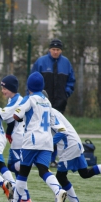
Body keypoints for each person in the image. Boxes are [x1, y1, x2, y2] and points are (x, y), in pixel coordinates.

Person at [5, 71, 67, 202]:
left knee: (23, 172)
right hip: (46, 141)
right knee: (43, 170)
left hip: (31, 140)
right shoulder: (47, 101)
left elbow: (16, 115)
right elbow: (57, 125)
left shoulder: (29, 99)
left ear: (29, 86)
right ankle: (58, 191)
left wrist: (20, 117)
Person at [43, 90, 101, 202]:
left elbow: (62, 132)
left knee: (60, 176)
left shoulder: (49, 114)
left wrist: (49, 144)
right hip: (76, 143)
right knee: (84, 173)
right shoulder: (52, 111)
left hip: (69, 147)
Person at [31, 38, 76, 167]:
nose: (55, 52)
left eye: (58, 50)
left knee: (57, 131)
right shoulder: (41, 62)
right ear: (49, 50)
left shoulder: (66, 63)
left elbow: (71, 81)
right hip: (42, 103)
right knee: (42, 129)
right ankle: (39, 157)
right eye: (53, 49)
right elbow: (32, 79)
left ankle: (53, 159)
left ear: (61, 51)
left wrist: (65, 94)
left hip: (59, 104)